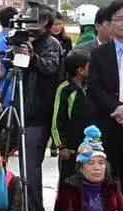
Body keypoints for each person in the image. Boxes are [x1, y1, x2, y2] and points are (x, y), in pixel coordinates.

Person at [14, 3, 64, 211]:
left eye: (30, 18)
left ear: (43, 22)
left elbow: (49, 68)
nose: (26, 22)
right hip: (22, 109)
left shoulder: (50, 44)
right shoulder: (28, 42)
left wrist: (31, 57)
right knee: (23, 166)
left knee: (30, 168)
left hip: (38, 114)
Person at [87, 1, 123, 180]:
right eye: (119, 19)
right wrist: (117, 108)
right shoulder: (99, 54)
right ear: (110, 23)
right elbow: (94, 89)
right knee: (109, 178)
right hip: (109, 122)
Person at [52, 49, 94, 182]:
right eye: (89, 67)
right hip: (70, 151)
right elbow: (56, 120)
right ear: (80, 71)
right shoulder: (65, 89)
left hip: (90, 146)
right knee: (69, 184)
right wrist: (61, 146)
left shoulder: (91, 88)